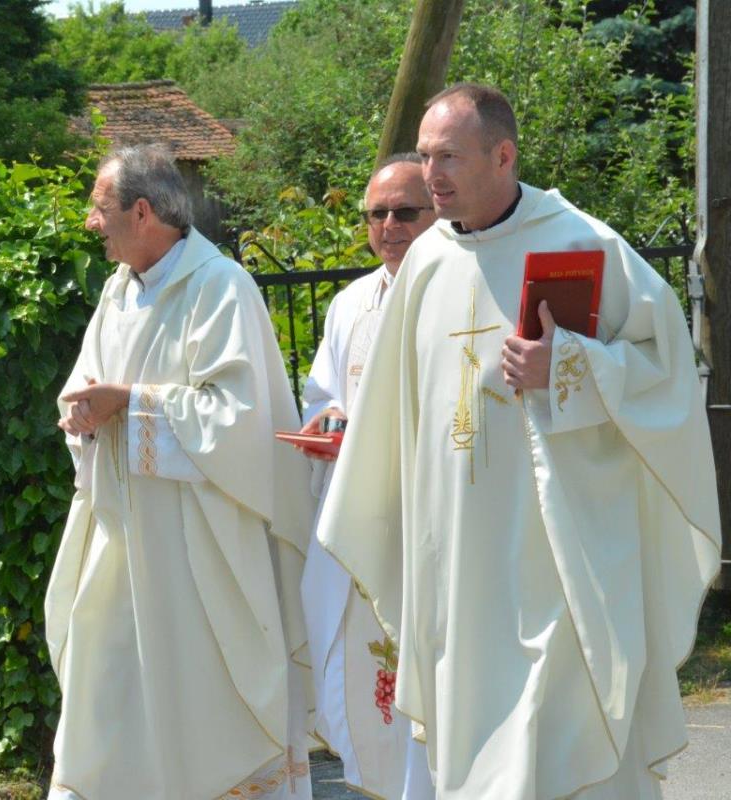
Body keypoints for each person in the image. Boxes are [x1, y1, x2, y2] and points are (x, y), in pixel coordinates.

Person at [317, 82, 721, 799]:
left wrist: (569, 367)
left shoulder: (582, 242)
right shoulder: (427, 263)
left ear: (503, 156)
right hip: (456, 561)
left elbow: (667, 376)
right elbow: (391, 415)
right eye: (425, 155)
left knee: (553, 746)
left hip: (556, 557)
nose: (431, 175)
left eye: (448, 156)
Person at [47, 144, 315, 799]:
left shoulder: (220, 287)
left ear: (142, 213)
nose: (90, 221)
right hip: (120, 537)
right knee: (107, 696)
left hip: (199, 548)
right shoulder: (118, 291)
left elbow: (238, 420)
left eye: (100, 207)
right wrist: (81, 412)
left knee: (200, 705)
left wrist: (129, 402)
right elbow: (88, 383)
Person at [295, 153, 436, 800]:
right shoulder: (350, 303)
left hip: (428, 523)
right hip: (363, 523)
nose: (389, 226)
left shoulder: (459, 294)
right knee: (370, 682)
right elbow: (324, 394)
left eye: (405, 212)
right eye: (376, 214)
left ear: (438, 212)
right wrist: (325, 422)